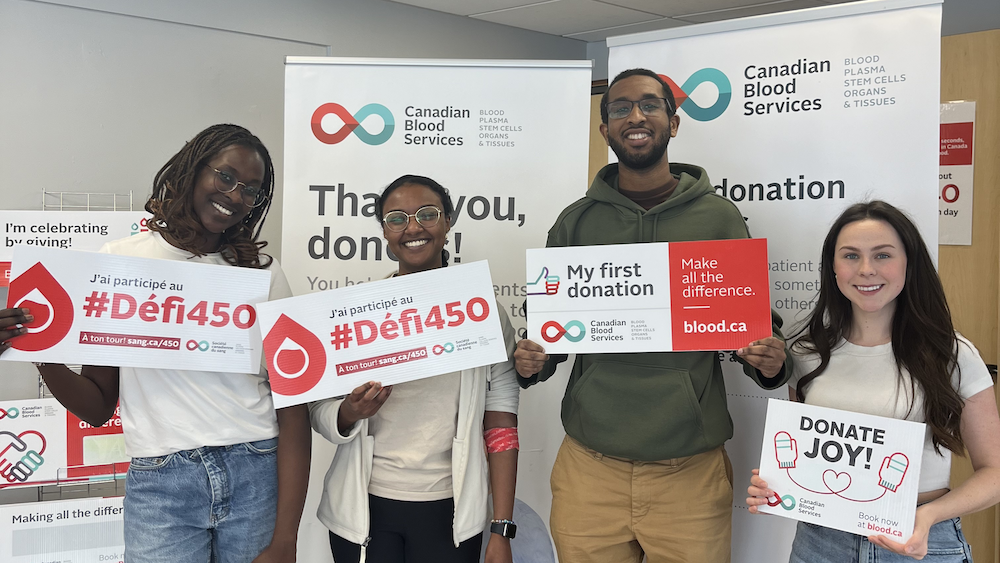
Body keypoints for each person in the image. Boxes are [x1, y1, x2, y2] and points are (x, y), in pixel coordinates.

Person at [512, 68, 790, 563]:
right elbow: (545, 335)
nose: (635, 116)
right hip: (588, 470)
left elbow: (752, 330)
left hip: (689, 472)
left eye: (649, 104)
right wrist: (532, 359)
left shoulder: (718, 217)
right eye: (619, 108)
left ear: (673, 122)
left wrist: (769, 360)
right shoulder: (575, 222)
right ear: (605, 131)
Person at [0, 124, 311, 563]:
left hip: (254, 469)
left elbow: (293, 406)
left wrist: (286, 540)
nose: (236, 195)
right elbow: (97, 405)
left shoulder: (263, 272)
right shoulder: (120, 262)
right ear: (192, 168)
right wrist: (37, 351)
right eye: (226, 176)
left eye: (252, 190)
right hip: (162, 484)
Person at [746, 201, 1000, 562]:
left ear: (908, 264)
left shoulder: (953, 354)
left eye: (882, 256)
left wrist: (926, 517)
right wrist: (778, 486)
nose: (866, 270)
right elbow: (810, 458)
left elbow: (995, 472)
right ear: (832, 267)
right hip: (820, 543)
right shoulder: (805, 352)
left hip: (919, 542)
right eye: (851, 256)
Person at [308, 174, 520, 563]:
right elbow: (319, 412)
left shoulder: (483, 314)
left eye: (427, 214)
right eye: (396, 219)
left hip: (451, 513)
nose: (413, 228)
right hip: (365, 510)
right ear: (385, 232)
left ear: (448, 221)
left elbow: (502, 423)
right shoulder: (358, 317)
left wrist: (501, 527)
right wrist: (349, 412)